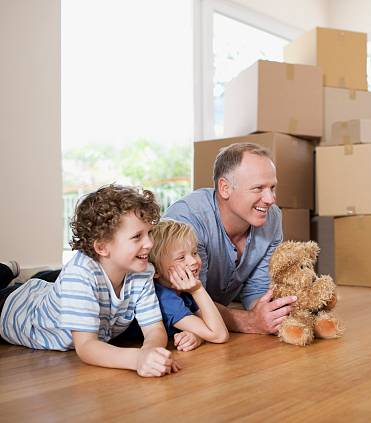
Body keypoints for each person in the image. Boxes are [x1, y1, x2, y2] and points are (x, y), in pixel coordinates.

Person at [0, 184, 180, 378]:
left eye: (149, 233)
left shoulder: (142, 272)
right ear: (102, 247)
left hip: (44, 291)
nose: (150, 243)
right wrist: (137, 359)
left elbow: (155, 328)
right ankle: (7, 270)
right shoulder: (79, 274)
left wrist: (151, 352)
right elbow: (86, 346)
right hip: (13, 310)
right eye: (137, 237)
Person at [164, 143, 296, 334]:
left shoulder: (272, 217)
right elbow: (190, 299)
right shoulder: (187, 220)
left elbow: (256, 291)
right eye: (258, 188)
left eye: (272, 187)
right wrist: (250, 322)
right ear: (225, 188)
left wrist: (273, 314)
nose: (270, 199)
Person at [148, 219, 229, 351]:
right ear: (156, 270)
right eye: (181, 258)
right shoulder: (163, 297)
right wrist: (198, 290)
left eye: (194, 252)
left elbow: (214, 326)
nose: (193, 261)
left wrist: (198, 336)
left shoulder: (184, 290)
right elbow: (219, 335)